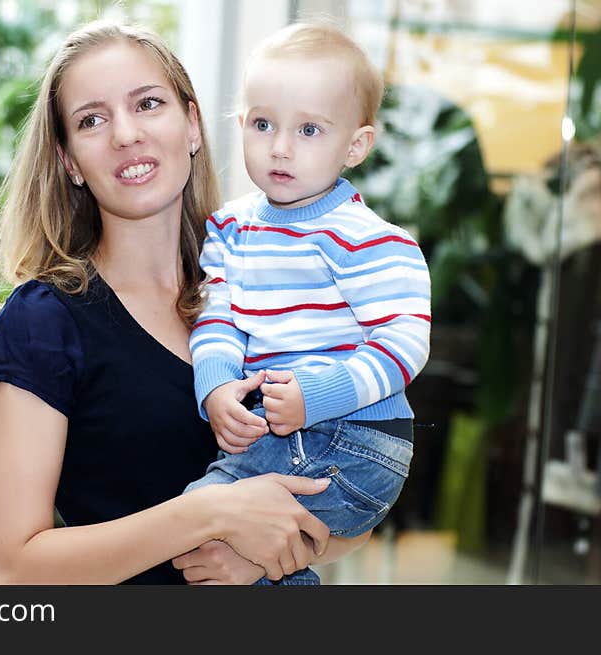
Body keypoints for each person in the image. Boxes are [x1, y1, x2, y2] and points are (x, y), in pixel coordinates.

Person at [0, 20, 372, 585]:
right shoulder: (44, 321)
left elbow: (359, 502)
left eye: (148, 104)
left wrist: (265, 552)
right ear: (69, 162)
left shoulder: (271, 287)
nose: (125, 134)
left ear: (191, 124)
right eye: (92, 120)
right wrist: (209, 514)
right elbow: (13, 569)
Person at [184, 20, 432, 585]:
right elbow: (218, 315)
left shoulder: (369, 238)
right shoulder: (231, 228)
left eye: (310, 130)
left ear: (356, 145)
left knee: (199, 519)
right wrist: (218, 384)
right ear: (239, 124)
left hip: (355, 438)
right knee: (239, 553)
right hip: (288, 432)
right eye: (264, 123)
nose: (280, 147)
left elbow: (404, 344)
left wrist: (315, 397)